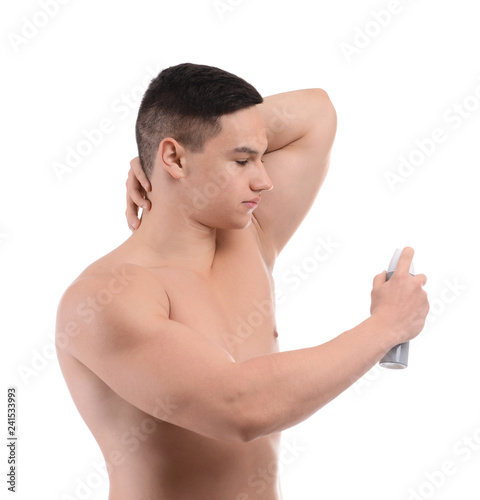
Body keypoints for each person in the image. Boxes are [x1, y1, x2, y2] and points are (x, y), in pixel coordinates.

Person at [56, 63, 429, 500]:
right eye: (241, 160)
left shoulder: (247, 237)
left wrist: (165, 146)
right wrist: (386, 327)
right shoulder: (106, 298)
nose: (264, 179)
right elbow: (240, 407)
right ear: (175, 159)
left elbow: (317, 112)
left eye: (260, 154)